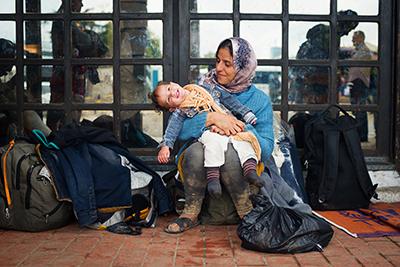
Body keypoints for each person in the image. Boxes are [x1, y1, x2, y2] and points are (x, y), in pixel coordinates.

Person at [164, 37, 275, 234]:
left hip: (241, 165)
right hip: (202, 164)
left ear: (244, 67)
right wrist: (211, 118)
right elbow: (180, 132)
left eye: (228, 64)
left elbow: (266, 149)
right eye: (217, 61)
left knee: (231, 152)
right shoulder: (203, 90)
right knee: (196, 151)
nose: (219, 68)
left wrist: (238, 129)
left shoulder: (259, 100)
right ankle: (190, 212)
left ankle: (246, 213)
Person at [150, 81, 263, 197]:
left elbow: (228, 100)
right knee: (211, 143)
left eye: (169, 89)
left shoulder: (205, 89)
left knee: (244, 140)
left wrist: (245, 113)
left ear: (173, 83)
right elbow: (172, 129)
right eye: (169, 99)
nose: (172, 93)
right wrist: (166, 146)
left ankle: (250, 170)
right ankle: (213, 178)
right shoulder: (180, 111)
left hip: (229, 123)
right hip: (210, 131)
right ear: (172, 108)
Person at [48, 0, 108, 131]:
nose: (82, 5)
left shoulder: (68, 20)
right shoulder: (65, 19)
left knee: (69, 111)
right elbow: (85, 42)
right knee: (69, 113)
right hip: (67, 76)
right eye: (79, 1)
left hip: (68, 75)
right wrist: (93, 39)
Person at [289, 10, 359, 104]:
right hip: (311, 78)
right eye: (348, 29)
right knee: (317, 112)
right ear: (343, 24)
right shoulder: (327, 34)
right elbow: (320, 57)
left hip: (311, 78)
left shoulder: (330, 34)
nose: (347, 33)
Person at [347, 31, 372, 142]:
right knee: (356, 109)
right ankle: (360, 133)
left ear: (361, 38)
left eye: (354, 38)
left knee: (360, 109)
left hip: (360, 82)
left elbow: (355, 62)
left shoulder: (364, 52)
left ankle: (362, 135)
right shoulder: (357, 51)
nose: (352, 40)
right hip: (356, 82)